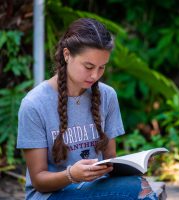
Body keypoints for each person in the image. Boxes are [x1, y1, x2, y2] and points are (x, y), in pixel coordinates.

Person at [17, 18, 157, 200]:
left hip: (94, 188)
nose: (95, 75)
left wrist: (133, 166)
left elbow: (110, 161)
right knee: (138, 190)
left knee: (138, 185)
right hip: (50, 195)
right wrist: (71, 175)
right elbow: (38, 180)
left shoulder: (107, 96)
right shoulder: (34, 104)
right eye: (88, 66)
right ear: (67, 55)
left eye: (102, 68)